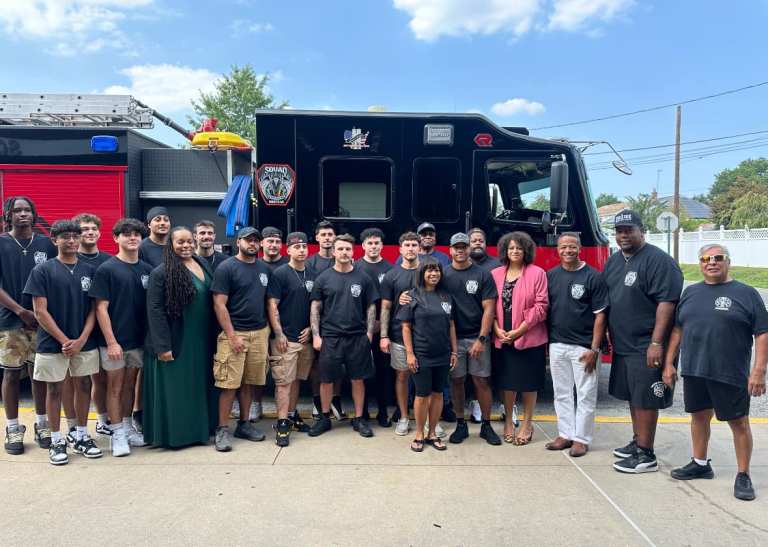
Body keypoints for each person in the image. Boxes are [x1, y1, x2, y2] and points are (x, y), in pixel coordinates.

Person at [666, 245, 767, 500]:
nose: (711, 263)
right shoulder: (691, 292)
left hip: (730, 372)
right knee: (699, 417)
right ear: (700, 264)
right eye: (705, 259)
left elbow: (762, 334)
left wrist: (759, 371)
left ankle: (743, 475)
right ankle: (700, 464)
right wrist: (669, 363)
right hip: (695, 370)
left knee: (739, 422)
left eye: (717, 258)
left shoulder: (747, 294)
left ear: (728, 262)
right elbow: (678, 330)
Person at [604, 209, 683, 473]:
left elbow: (667, 303)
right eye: (619, 231)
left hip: (647, 345)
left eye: (629, 230)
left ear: (642, 231)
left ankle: (646, 455)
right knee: (632, 396)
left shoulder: (659, 261)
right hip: (624, 345)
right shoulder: (615, 261)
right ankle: (638, 442)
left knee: (647, 398)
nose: (623, 235)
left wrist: (656, 343)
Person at [23, 220, 102, 465]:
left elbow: (94, 309)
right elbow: (40, 311)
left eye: (74, 236)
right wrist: (65, 340)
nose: (71, 241)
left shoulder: (88, 270)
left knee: (84, 387)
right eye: (65, 237)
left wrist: (81, 339)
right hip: (51, 343)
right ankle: (57, 441)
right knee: (54, 390)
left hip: (82, 343)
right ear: (55, 240)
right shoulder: (43, 270)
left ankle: (81, 435)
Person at [144, 226, 213, 449]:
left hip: (201, 338)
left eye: (189, 241)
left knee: (197, 387)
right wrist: (162, 346)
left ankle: (200, 431)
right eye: (180, 242)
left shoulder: (201, 263)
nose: (186, 246)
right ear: (170, 245)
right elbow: (154, 311)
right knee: (177, 390)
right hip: (177, 339)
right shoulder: (161, 272)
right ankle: (176, 436)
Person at [89, 218, 153, 457]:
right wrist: (111, 341)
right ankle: (116, 435)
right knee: (114, 388)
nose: (132, 238)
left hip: (137, 341)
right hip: (114, 342)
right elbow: (100, 308)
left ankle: (127, 427)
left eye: (136, 234)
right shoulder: (107, 269)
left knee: (129, 386)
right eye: (126, 234)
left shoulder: (146, 270)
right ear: (116, 238)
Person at [1, 196, 57, 455]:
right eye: (17, 210)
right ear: (8, 216)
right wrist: (20, 310)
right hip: (11, 321)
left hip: (41, 322)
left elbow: (56, 279)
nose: (23, 214)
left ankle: (42, 424)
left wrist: (40, 313)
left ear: (34, 215)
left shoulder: (46, 243)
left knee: (39, 373)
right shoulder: (1, 243)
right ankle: (13, 428)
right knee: (11, 373)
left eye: (27, 210)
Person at [308, 234, 378, 438]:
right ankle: (324, 418)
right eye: (340, 249)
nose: (344, 252)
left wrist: (368, 333)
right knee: (326, 380)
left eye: (348, 249)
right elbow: (315, 307)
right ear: (334, 252)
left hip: (357, 337)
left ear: (353, 251)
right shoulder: (324, 278)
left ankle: (359, 419)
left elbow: (371, 306)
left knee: (358, 380)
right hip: (330, 337)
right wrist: (316, 335)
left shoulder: (363, 277)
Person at [546, 232, 608, 457]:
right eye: (563, 247)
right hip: (557, 345)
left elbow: (600, 316)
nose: (567, 251)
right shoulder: (550, 275)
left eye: (572, 247)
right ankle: (565, 434)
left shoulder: (593, 277)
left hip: (583, 347)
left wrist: (595, 349)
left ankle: (581, 439)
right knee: (561, 392)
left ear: (579, 248)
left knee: (585, 394)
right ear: (558, 249)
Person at [211, 227, 270, 451]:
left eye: (256, 240)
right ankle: (222, 429)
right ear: (239, 242)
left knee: (249, 382)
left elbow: (267, 303)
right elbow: (219, 304)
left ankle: (244, 424)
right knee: (228, 385)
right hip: (234, 334)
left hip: (259, 333)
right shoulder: (227, 268)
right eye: (248, 240)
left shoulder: (264, 268)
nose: (252, 244)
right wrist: (232, 335)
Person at [443, 233, 500, 446]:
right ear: (450, 250)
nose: (460, 250)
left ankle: (486, 425)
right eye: (456, 247)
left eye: (464, 247)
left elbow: (489, 309)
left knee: (481, 381)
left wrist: (482, 339)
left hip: (477, 337)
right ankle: (460, 424)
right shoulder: (444, 274)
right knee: (457, 381)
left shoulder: (483, 274)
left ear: (469, 249)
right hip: (453, 340)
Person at [491, 232, 548, 445]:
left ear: (526, 251)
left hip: (529, 337)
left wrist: (519, 331)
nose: (515, 251)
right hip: (502, 336)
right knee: (507, 382)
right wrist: (497, 329)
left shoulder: (537, 273)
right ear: (505, 251)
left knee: (528, 382)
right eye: (511, 248)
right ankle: (508, 421)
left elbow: (541, 307)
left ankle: (527, 423)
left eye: (519, 248)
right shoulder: (495, 274)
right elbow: (488, 305)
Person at [62, 213, 111, 443]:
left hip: (104, 329)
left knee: (101, 379)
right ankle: (72, 427)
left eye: (93, 228)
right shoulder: (68, 260)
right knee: (74, 381)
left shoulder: (109, 261)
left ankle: (102, 421)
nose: (89, 232)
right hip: (76, 331)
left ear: (100, 232)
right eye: (84, 229)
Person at [398, 261, 458, 452]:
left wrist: (454, 351)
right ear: (422, 273)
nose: (434, 273)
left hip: (443, 354)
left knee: (438, 394)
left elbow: (451, 326)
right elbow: (406, 327)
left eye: (437, 270)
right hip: (421, 355)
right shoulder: (412, 296)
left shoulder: (446, 296)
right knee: (422, 395)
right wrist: (410, 354)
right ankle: (419, 434)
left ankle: (432, 433)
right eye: (430, 270)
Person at [267, 232, 316, 446]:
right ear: (288, 250)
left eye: (304, 246)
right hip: (285, 339)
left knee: (296, 379)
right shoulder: (280, 274)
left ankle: (292, 415)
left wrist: (312, 329)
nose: (302, 250)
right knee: (284, 383)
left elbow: (316, 307)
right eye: (297, 247)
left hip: (305, 338)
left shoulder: (312, 273)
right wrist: (278, 333)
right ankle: (282, 424)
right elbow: (272, 305)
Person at [380, 232, 421, 435]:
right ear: (400, 249)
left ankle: (429, 419)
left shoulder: (429, 271)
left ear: (420, 248)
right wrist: (384, 335)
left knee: (426, 378)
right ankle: (404, 417)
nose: (411, 248)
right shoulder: (391, 275)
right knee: (402, 376)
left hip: (426, 336)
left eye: (414, 245)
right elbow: (386, 307)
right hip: (398, 335)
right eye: (407, 245)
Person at [306, 220, 345, 419]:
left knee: (336, 364)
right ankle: (316, 400)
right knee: (317, 364)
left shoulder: (343, 260)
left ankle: (335, 400)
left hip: (337, 323)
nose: (327, 238)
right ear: (317, 238)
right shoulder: (310, 263)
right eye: (324, 235)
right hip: (317, 324)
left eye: (331, 234)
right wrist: (312, 328)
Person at [355, 227, 393, 426]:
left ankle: (382, 411)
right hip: (360, 328)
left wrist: (382, 325)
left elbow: (391, 301)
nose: (373, 246)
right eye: (369, 243)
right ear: (363, 246)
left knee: (383, 370)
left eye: (377, 243)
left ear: (382, 246)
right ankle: (363, 413)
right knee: (361, 371)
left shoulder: (390, 269)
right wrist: (368, 323)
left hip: (383, 329)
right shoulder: (355, 267)